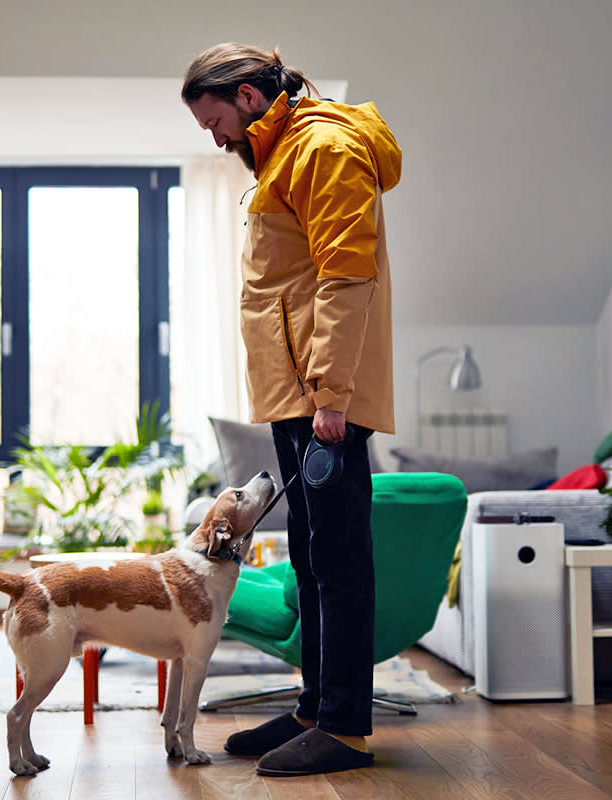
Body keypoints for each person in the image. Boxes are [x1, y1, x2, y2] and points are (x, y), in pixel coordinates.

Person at [182, 43, 400, 777]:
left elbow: (345, 274)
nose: (214, 138)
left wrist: (332, 397)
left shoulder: (325, 147)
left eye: (215, 121)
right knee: (309, 550)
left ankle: (345, 728)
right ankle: (315, 706)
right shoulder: (284, 153)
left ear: (247, 97)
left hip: (322, 396)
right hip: (298, 391)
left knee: (339, 554)